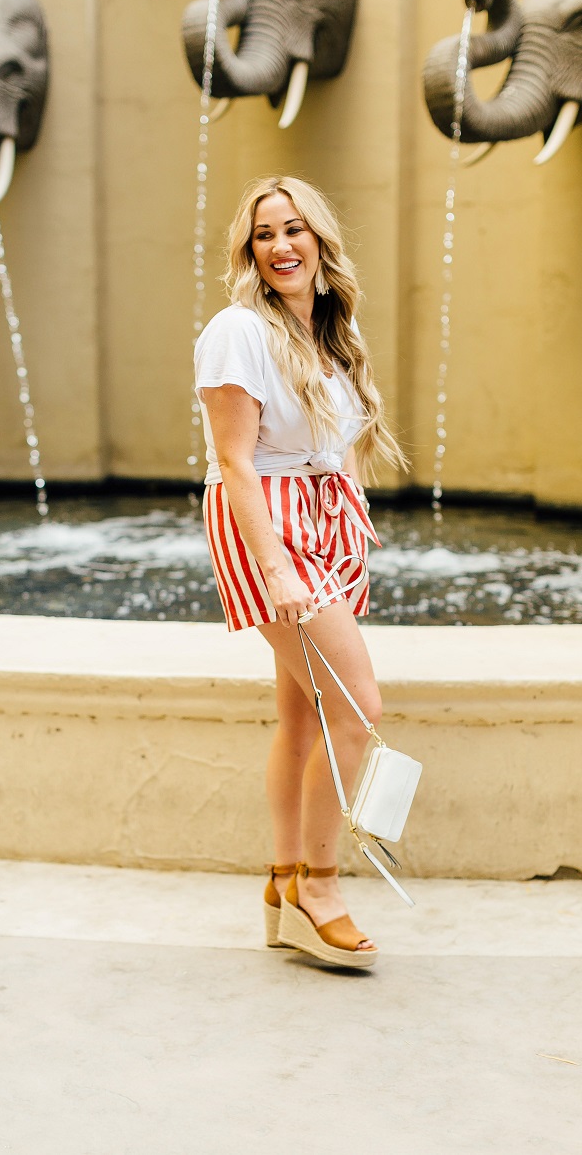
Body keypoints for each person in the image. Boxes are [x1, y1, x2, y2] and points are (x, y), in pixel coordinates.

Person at [194, 175, 406, 968]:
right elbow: (234, 462)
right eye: (264, 235)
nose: (281, 246)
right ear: (249, 251)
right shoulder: (236, 331)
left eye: (294, 230)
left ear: (319, 238)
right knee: (358, 705)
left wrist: (347, 529)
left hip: (325, 518)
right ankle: (321, 884)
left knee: (307, 715)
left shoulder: (330, 331)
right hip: (266, 522)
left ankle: (283, 881)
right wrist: (277, 567)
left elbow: (340, 446)